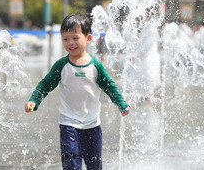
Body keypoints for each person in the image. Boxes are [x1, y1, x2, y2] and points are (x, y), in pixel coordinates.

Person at [24, 13, 130, 170]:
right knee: (71, 165)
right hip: (68, 123)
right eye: (65, 39)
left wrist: (121, 103)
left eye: (75, 38)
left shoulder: (95, 65)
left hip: (92, 124)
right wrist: (34, 100)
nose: (70, 43)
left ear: (88, 38)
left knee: (94, 165)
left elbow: (109, 86)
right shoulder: (61, 65)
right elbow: (45, 84)